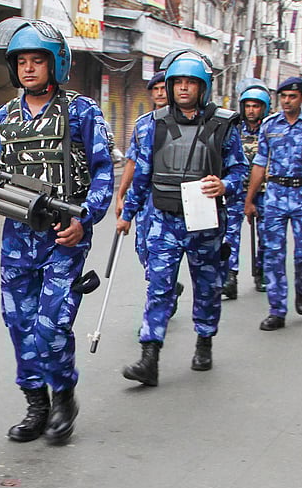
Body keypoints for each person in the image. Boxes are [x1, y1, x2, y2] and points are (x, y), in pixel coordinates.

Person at [0, 17, 113, 445]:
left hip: (64, 235)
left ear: (56, 64)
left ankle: (63, 395)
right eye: (21, 61)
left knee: (51, 325)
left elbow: (103, 172)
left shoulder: (83, 113)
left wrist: (86, 218)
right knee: (19, 322)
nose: (29, 69)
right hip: (17, 236)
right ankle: (36, 403)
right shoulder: (6, 115)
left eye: (37, 60)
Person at [117, 51, 247, 384]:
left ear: (203, 87)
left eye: (191, 82)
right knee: (158, 289)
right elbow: (142, 174)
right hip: (164, 219)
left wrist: (225, 184)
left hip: (204, 222)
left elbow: (239, 171)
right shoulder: (152, 125)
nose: (184, 89)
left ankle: (204, 340)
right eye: (179, 83)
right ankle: (150, 356)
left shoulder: (224, 125)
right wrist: (127, 214)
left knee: (207, 288)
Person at [244, 77, 302, 331]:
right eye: (283, 96)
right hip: (275, 193)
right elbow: (259, 164)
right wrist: (250, 199)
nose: (287, 101)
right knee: (273, 254)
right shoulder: (269, 125)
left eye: (292, 97)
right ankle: (277, 310)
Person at [114, 70, 169, 271]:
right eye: (155, 89)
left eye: (163, 88)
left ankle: (163, 288)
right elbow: (132, 162)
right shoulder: (142, 124)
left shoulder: (182, 121)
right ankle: (158, 284)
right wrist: (121, 195)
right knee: (144, 247)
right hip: (146, 196)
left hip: (172, 195)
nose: (160, 93)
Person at [224, 84, 271, 297]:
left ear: (264, 108)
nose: (251, 110)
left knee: (266, 234)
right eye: (248, 106)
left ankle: (261, 272)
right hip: (236, 191)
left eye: (256, 106)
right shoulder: (233, 130)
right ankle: (230, 276)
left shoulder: (271, 130)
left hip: (264, 191)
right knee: (230, 233)